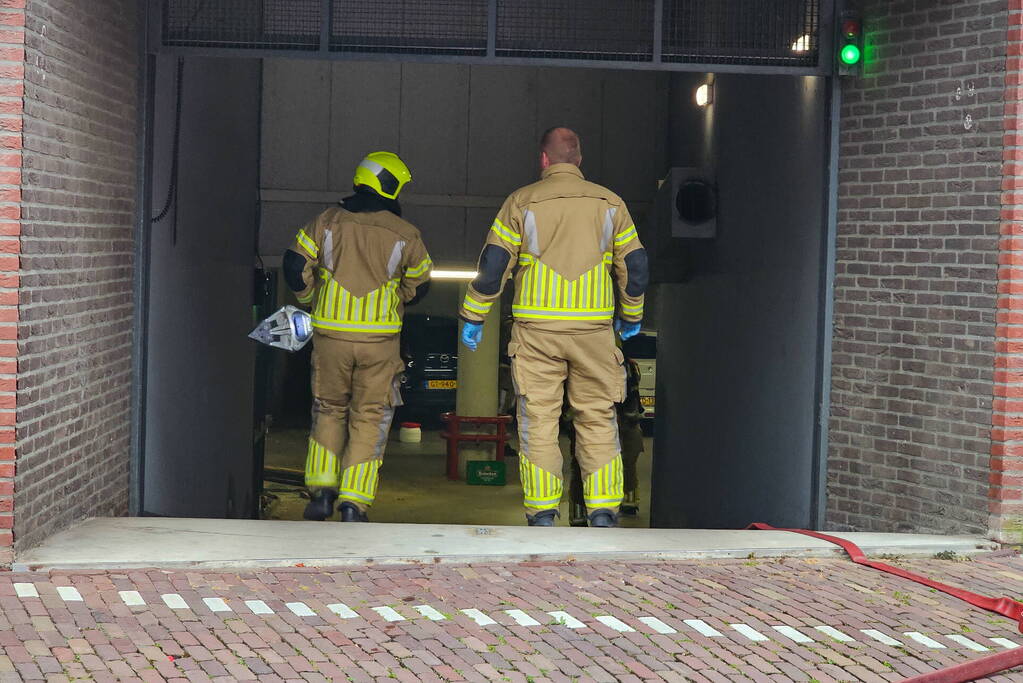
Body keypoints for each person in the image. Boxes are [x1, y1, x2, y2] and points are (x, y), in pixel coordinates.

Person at [457, 127, 648, 527]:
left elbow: (493, 266)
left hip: (536, 334)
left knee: (539, 421)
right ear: (579, 160)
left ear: (544, 159)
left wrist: (474, 316)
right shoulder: (610, 203)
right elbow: (636, 266)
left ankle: (543, 514)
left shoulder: (521, 201)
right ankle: (602, 513)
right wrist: (631, 316)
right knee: (597, 419)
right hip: (594, 334)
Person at [282, 151, 432, 522]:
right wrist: (399, 297)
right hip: (380, 343)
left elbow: (294, 264)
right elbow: (422, 281)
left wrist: (308, 298)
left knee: (329, 410)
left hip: (330, 336)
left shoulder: (327, 221)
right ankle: (353, 502)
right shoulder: (405, 233)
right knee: (369, 416)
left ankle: (320, 494)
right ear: (390, 185)